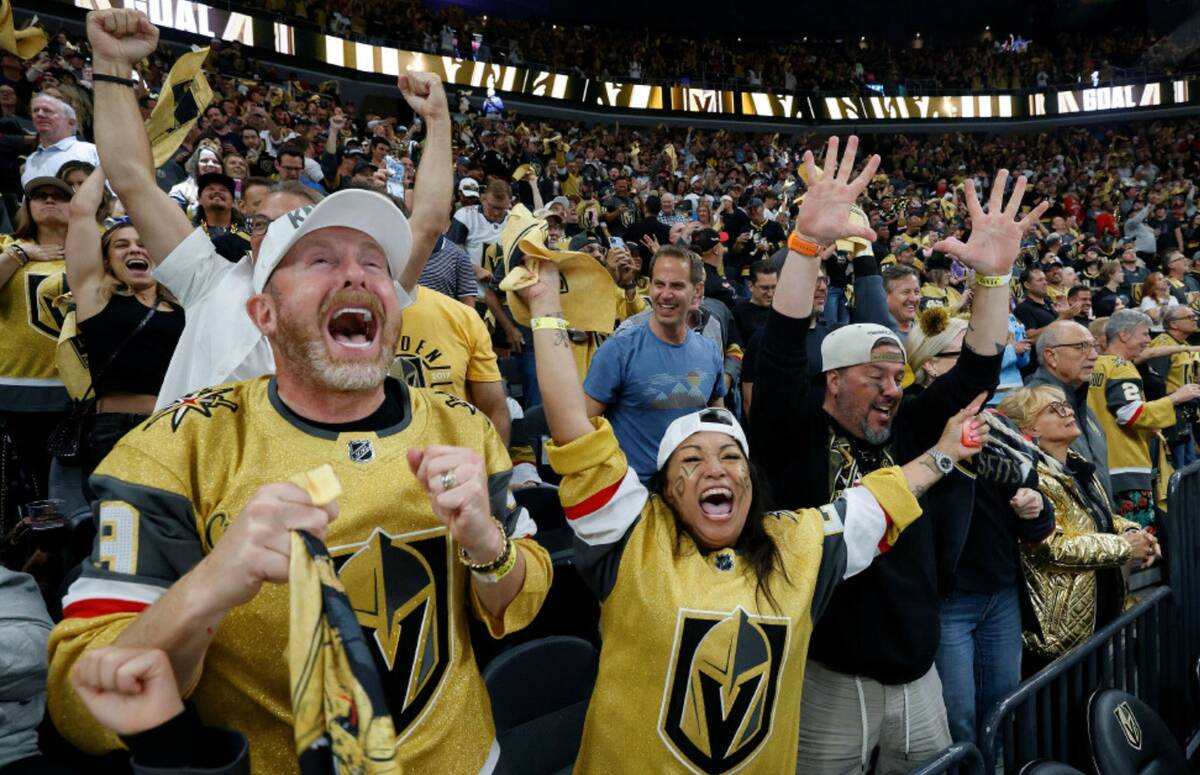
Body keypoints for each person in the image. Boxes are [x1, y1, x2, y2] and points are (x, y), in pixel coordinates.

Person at [46, 155, 552, 775]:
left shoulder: (461, 425)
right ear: (264, 314)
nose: (359, 276)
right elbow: (80, 703)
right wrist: (203, 592)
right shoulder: (174, 449)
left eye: (374, 264)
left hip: (470, 759)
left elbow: (523, 598)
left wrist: (485, 542)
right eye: (321, 261)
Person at [514, 247, 985, 773]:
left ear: (751, 480)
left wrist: (944, 454)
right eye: (691, 459)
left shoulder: (797, 543)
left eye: (731, 456)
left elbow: (879, 498)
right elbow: (576, 432)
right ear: (667, 489)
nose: (716, 469)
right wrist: (545, 312)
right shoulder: (634, 539)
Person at [750, 136, 1048, 775]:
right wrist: (805, 246)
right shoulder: (791, 433)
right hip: (828, 682)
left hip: (918, 680)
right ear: (832, 380)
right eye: (876, 377)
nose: (895, 388)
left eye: (899, 376)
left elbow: (977, 371)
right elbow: (777, 351)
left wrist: (993, 278)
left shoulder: (909, 427)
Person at [83, 9, 450, 410]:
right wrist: (113, 64)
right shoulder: (208, 278)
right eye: (262, 224)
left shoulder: (356, 292)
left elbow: (428, 223)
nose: (273, 234)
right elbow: (131, 178)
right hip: (194, 470)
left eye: (293, 225)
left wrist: (436, 118)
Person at [997, 386, 1159, 667]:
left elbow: (1101, 517)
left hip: (1098, 613)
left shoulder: (1076, 464)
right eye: (1054, 409)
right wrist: (1123, 547)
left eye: (1066, 406)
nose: (1068, 411)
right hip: (1059, 633)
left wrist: (1133, 532)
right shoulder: (1031, 478)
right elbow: (1050, 545)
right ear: (1029, 428)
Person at [64, 167, 184, 481]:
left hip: (174, 425)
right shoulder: (94, 297)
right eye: (121, 245)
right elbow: (80, 212)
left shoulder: (184, 304)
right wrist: (110, 161)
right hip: (113, 429)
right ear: (105, 262)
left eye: (143, 243)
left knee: (166, 521)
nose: (134, 249)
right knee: (118, 523)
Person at [583, 246, 727, 483]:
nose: (665, 294)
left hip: (691, 491)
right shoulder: (618, 350)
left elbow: (717, 423)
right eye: (659, 284)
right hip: (633, 495)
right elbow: (582, 430)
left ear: (697, 291)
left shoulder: (709, 352)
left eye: (677, 286)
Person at [1087, 309, 1200, 528]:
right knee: (1140, 546)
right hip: (1126, 466)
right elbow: (1130, 414)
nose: (1149, 340)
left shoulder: (1096, 366)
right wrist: (1175, 398)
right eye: (1145, 334)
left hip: (1101, 462)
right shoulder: (1122, 368)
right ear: (1124, 335)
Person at [0, 176, 72, 495]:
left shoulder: (97, 249)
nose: (49, 200)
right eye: (40, 196)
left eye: (59, 196)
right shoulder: (6, 245)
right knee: (34, 481)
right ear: (27, 206)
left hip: (79, 387)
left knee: (74, 478)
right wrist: (20, 254)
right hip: (19, 384)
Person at [390, 284, 511, 444]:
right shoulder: (350, 319)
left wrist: (491, 466)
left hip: (450, 460)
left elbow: (494, 411)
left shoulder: (461, 316)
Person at [1026, 320, 1112, 498]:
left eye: (1094, 346)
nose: (1094, 355)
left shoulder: (1081, 403)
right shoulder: (1033, 407)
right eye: (1082, 346)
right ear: (1051, 356)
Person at [1147, 305, 1200, 467]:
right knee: (1177, 467)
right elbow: (1155, 384)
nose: (1195, 319)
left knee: (1189, 465)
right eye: (1189, 317)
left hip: (1184, 413)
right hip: (1170, 415)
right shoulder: (1163, 346)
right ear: (1174, 324)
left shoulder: (1183, 344)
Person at [21, 92, 99, 187]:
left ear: (71, 122)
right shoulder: (31, 160)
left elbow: (112, 198)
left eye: (48, 110)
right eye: (35, 110)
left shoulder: (91, 152)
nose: (40, 114)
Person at [732, 259, 777, 340]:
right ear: (750, 286)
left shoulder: (782, 311)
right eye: (765, 288)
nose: (770, 293)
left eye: (774, 287)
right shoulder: (739, 313)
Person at [694, 227, 738, 309]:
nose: (724, 250)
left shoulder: (698, 271)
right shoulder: (712, 281)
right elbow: (735, 303)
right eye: (721, 245)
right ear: (715, 250)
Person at [882, 263, 920, 340]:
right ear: (885, 295)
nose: (913, 299)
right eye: (905, 292)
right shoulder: (880, 336)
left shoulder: (927, 335)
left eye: (916, 292)